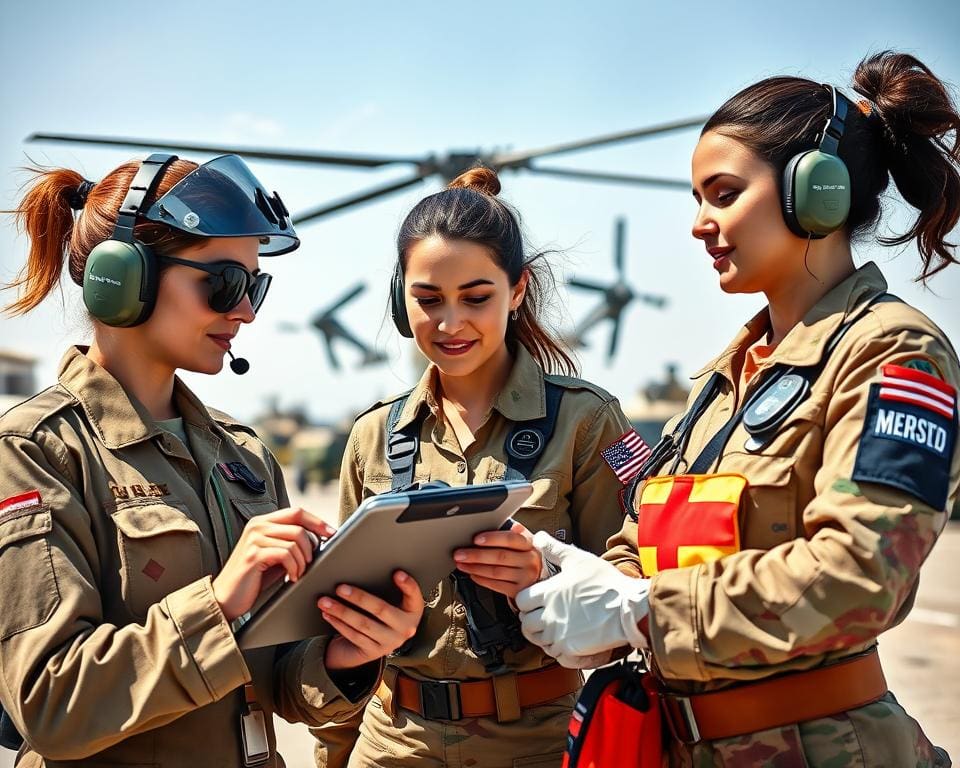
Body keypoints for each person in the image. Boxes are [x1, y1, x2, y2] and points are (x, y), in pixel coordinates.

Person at [516, 50, 960, 767]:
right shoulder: (725, 381)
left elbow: (860, 574)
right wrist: (584, 580)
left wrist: (640, 612)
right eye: (698, 199)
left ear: (815, 192)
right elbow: (655, 533)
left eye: (722, 194)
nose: (700, 222)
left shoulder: (892, 352)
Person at [0, 153, 425, 767]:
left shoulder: (243, 455)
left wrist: (346, 656)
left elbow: (274, 677)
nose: (246, 310)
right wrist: (217, 602)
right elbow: (49, 706)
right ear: (125, 276)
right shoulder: (38, 451)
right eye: (226, 283)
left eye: (255, 286)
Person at [312, 167, 641, 768]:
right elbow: (343, 619)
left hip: (537, 744)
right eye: (428, 300)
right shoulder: (372, 437)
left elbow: (632, 587)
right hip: (393, 744)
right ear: (399, 297)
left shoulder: (587, 420)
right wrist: (333, 755)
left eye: (477, 297)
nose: (450, 323)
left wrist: (543, 575)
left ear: (518, 290)